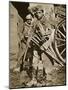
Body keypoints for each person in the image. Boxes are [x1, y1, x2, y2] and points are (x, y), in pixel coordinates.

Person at [27, 5, 55, 86]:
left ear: (43, 13)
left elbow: (52, 33)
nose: (38, 14)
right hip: (36, 44)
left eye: (39, 12)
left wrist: (46, 37)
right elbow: (31, 33)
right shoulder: (35, 22)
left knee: (46, 62)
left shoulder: (47, 21)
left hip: (45, 45)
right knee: (34, 62)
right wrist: (29, 41)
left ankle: (46, 80)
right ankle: (33, 79)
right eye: (36, 13)